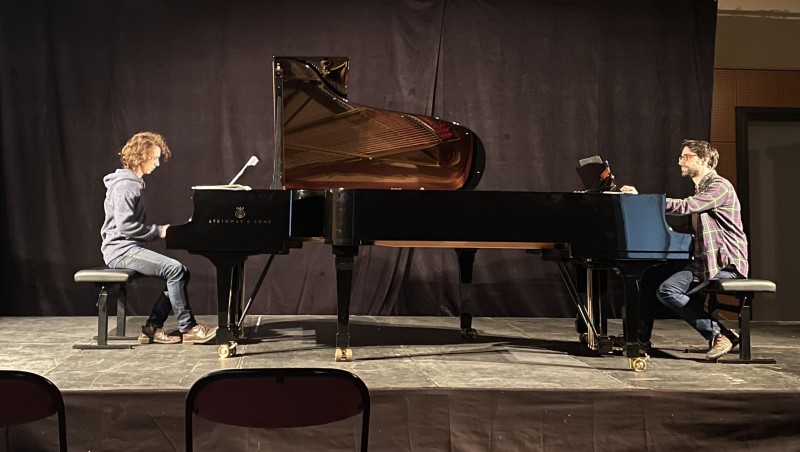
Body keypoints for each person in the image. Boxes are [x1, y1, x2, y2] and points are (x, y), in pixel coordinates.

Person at [621, 139, 748, 360]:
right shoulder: (703, 189)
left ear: (705, 159)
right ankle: (639, 341)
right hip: (705, 261)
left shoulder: (720, 186)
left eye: (686, 156)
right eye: (681, 156)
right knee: (649, 277)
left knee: (668, 290)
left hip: (724, 263)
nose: (680, 161)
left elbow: (687, 206)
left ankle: (720, 333)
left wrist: (643, 201)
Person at [101, 131, 218, 344]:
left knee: (177, 272)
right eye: (154, 158)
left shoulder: (132, 182)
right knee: (175, 270)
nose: (157, 163)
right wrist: (158, 231)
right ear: (140, 157)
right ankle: (188, 328)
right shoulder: (127, 184)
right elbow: (126, 226)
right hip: (120, 251)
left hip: (128, 248)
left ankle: (153, 327)